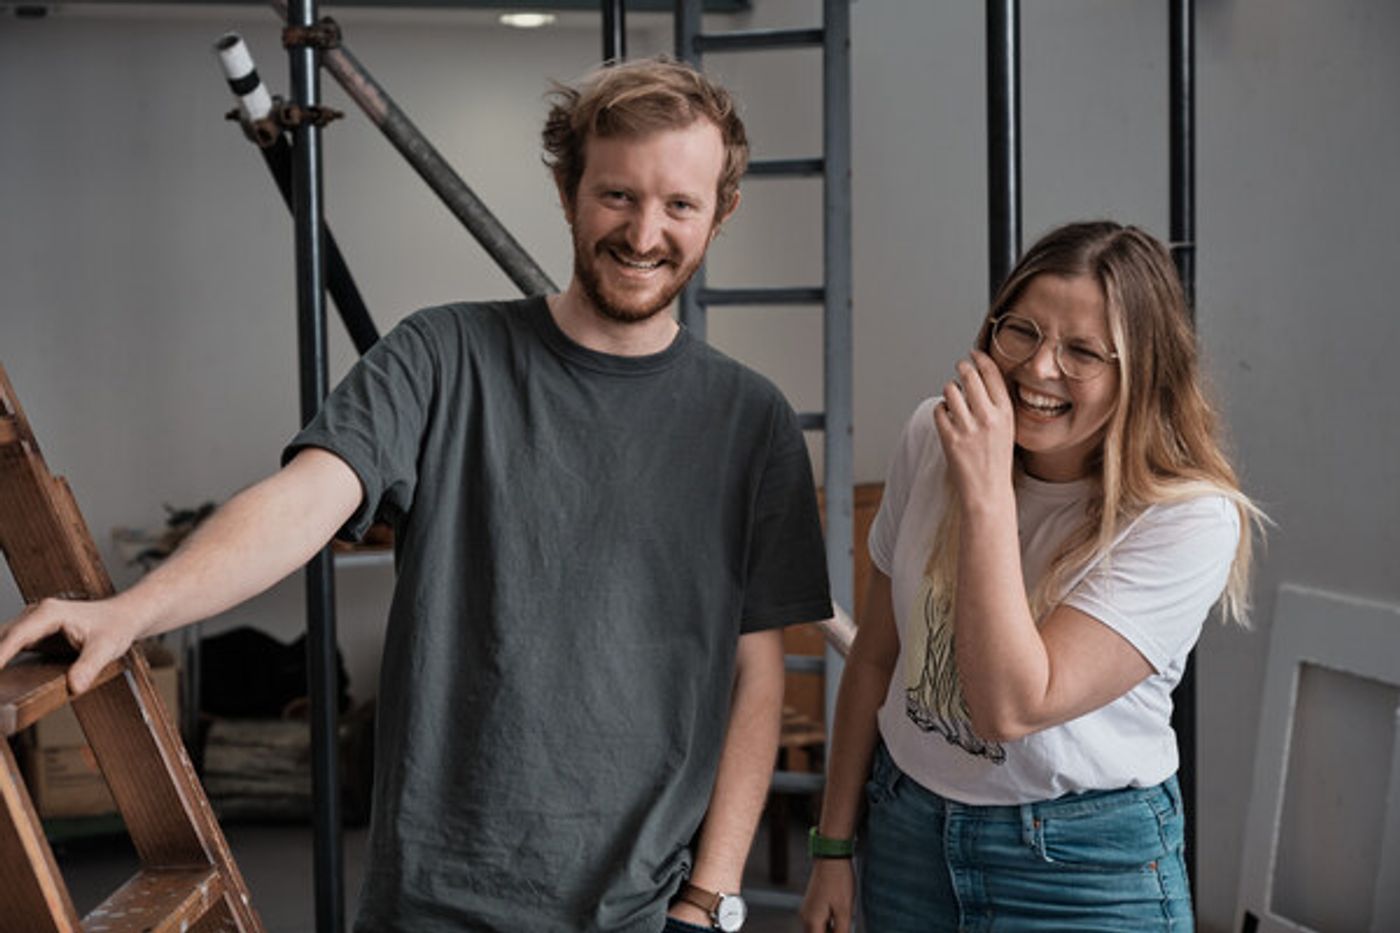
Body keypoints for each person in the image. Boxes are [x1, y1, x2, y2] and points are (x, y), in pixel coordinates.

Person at [0, 57, 832, 933]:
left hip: (638, 909)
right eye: (617, 195)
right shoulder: (442, 355)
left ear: (720, 214)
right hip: (434, 901)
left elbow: (755, 669)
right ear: (568, 192)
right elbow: (302, 502)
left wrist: (707, 898)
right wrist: (132, 611)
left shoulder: (752, 422)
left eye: (679, 205)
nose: (644, 232)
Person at [799, 221, 1261, 933]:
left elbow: (1012, 706)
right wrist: (833, 846)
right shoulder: (932, 435)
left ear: (1143, 373)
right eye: (1022, 331)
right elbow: (875, 659)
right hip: (907, 834)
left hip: (1080, 866)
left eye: (1083, 351)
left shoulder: (1188, 518)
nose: (1040, 368)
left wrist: (986, 490)